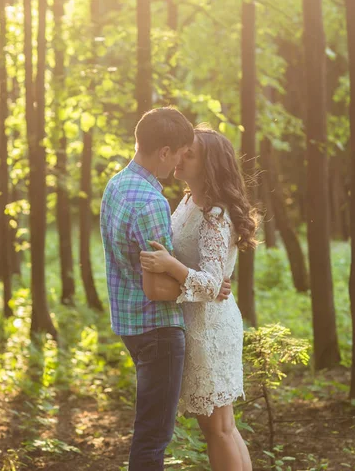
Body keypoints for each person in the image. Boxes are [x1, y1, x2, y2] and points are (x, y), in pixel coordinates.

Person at [100, 108, 232, 471]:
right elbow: (158, 288)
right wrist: (206, 285)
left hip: (128, 323)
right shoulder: (151, 202)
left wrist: (201, 280)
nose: (179, 161)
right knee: (153, 439)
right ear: (164, 151)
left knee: (152, 434)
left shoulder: (117, 185)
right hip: (157, 328)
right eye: (179, 152)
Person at [140, 126, 257, 471]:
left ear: (209, 164)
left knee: (218, 429)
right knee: (222, 427)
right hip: (198, 322)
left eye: (189, 152)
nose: (180, 155)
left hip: (210, 329)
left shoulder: (215, 216)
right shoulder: (191, 201)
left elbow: (209, 284)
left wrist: (170, 265)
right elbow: (211, 278)